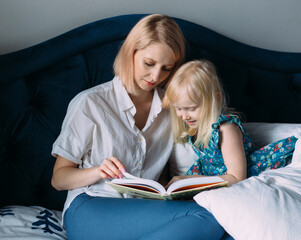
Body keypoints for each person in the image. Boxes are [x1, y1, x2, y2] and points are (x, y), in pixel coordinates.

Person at [51, 15, 224, 240]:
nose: (156, 76)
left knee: (221, 218)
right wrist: (97, 171)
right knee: (205, 219)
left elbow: (164, 175)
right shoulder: (90, 103)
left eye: (166, 69)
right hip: (90, 204)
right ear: (131, 53)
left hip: (144, 208)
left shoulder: (172, 109)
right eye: (149, 64)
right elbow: (58, 179)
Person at [163, 59, 256, 187]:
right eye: (178, 108)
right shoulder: (196, 127)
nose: (184, 116)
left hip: (234, 180)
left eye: (191, 108)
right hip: (212, 178)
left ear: (215, 99)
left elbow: (237, 177)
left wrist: (191, 181)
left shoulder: (225, 129)